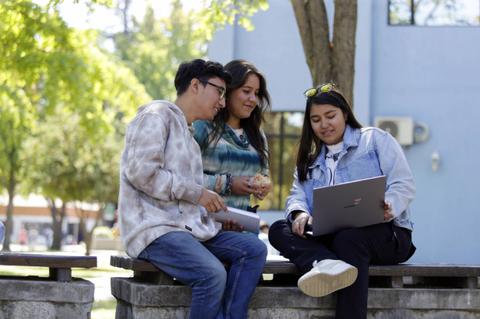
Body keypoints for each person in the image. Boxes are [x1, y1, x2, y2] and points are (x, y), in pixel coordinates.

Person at [118, 59, 267, 319]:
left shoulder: (189, 138)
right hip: (154, 229)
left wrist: (220, 217)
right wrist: (198, 193)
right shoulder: (156, 115)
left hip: (189, 229)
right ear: (195, 85)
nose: (222, 102)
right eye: (219, 92)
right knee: (211, 274)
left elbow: (187, 201)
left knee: (253, 249)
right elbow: (142, 173)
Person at [268, 83, 416, 319]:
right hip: (332, 236)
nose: (324, 124)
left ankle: (327, 263)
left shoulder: (375, 141)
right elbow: (297, 196)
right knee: (278, 229)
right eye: (316, 119)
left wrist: (389, 205)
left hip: (386, 234)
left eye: (330, 116)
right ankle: (328, 263)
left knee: (350, 239)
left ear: (345, 113)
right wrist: (299, 214)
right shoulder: (310, 160)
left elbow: (404, 184)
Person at [193, 60, 272, 212]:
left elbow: (264, 175)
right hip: (204, 223)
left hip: (242, 222)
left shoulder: (257, 134)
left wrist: (263, 185)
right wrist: (228, 184)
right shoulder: (203, 126)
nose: (253, 99)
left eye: (256, 93)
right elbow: (183, 179)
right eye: (246, 91)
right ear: (228, 91)